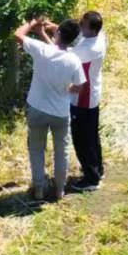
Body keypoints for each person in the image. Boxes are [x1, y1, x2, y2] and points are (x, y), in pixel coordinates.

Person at [14, 14, 83, 203]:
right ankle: (60, 190)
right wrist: (67, 89)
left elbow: (18, 35)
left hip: (37, 108)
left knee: (37, 150)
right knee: (62, 151)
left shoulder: (42, 50)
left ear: (58, 33)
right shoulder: (74, 61)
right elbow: (79, 86)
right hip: (60, 112)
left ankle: (39, 189)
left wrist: (33, 23)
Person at [68, 9, 107, 190]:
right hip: (92, 95)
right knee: (92, 136)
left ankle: (91, 179)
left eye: (82, 24)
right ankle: (97, 169)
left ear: (91, 29)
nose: (79, 25)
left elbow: (62, 53)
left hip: (83, 97)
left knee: (81, 139)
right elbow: (77, 37)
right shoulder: (99, 37)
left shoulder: (88, 49)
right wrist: (54, 26)